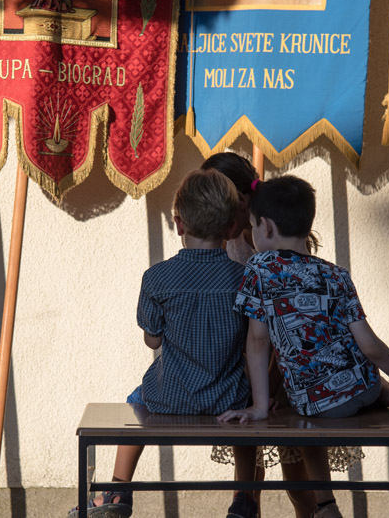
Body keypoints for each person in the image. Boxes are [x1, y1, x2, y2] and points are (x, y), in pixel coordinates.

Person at [218, 175, 389, 518]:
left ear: (265, 227)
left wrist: (261, 406)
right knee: (365, 379)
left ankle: (325, 504)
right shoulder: (335, 273)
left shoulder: (260, 268)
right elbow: (369, 345)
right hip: (363, 385)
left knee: (303, 419)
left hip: (321, 403)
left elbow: (258, 340)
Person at [69, 168, 259, 518]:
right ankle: (244, 497)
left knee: (137, 401)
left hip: (169, 398)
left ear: (179, 223)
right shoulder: (244, 278)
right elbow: (254, 343)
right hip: (228, 400)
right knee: (245, 423)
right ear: (232, 228)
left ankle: (117, 492)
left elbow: (152, 338)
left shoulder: (157, 278)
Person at [202, 153, 362, 518]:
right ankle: (248, 501)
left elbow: (285, 327)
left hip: (286, 366)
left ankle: (319, 506)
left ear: (242, 202)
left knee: (296, 477)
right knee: (249, 473)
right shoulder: (229, 241)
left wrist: (273, 385)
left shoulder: (265, 249)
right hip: (252, 369)